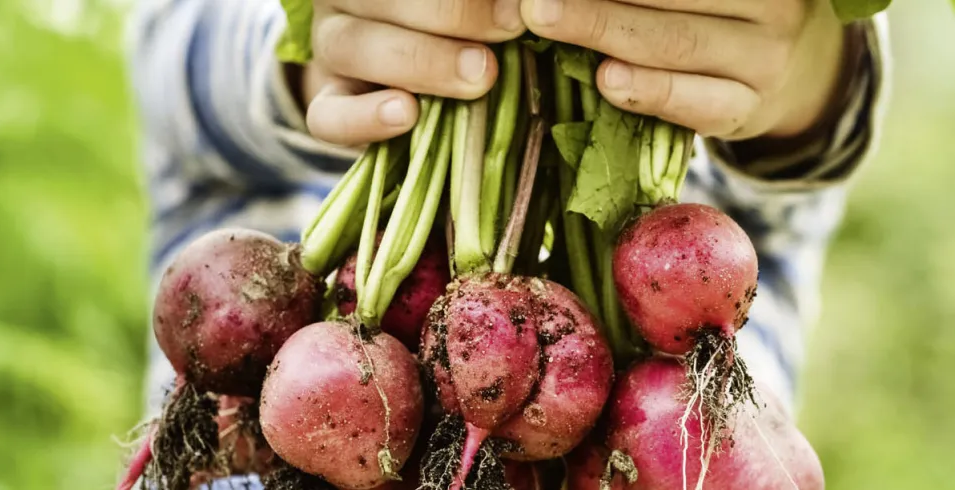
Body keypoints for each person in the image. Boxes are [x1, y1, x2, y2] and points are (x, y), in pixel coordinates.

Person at [125, 0, 890, 487]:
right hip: (241, 459)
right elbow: (164, 57)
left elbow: (794, 179)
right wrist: (314, 58)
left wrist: (807, 69)